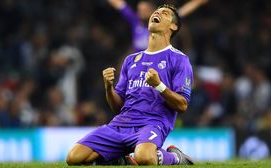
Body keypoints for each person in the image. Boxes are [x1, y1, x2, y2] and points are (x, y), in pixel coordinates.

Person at [66, 4, 194, 165]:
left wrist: (159, 85)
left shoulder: (179, 59)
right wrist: (108, 87)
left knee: (145, 158)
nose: (158, 13)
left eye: (165, 13)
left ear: (173, 26)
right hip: (121, 123)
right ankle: (119, 159)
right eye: (156, 11)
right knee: (73, 158)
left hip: (152, 123)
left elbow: (182, 105)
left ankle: (176, 157)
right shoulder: (131, 60)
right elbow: (117, 107)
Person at [108, 0, 208, 52]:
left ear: (152, 11)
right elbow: (119, 4)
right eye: (139, 10)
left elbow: (182, 12)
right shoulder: (135, 20)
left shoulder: (163, 22)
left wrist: (197, 2)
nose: (140, 13)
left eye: (143, 11)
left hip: (158, 63)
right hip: (139, 63)